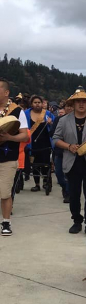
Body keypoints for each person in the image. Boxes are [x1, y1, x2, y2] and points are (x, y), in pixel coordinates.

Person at [53, 87, 86, 234]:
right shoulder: (63, 121)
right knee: (74, 194)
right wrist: (68, 146)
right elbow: (56, 139)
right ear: (73, 104)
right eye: (78, 102)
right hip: (72, 163)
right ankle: (76, 220)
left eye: (84, 102)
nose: (81, 104)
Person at [0, 78, 29, 235]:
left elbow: (24, 136)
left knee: (5, 192)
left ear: (6, 92)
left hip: (8, 158)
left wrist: (8, 138)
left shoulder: (17, 111)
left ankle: (6, 222)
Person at [24, 95, 54, 192]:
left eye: (39, 102)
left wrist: (51, 123)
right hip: (32, 143)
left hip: (45, 143)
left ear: (42, 103)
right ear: (31, 104)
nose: (37, 104)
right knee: (35, 164)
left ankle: (46, 181)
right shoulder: (26, 114)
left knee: (45, 164)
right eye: (35, 102)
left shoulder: (48, 114)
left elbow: (56, 127)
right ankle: (37, 184)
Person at [50, 102, 73, 203]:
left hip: (72, 152)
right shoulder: (58, 119)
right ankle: (64, 187)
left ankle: (68, 193)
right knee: (59, 174)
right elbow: (52, 133)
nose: (69, 108)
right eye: (67, 106)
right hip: (59, 151)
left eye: (71, 106)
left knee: (69, 174)